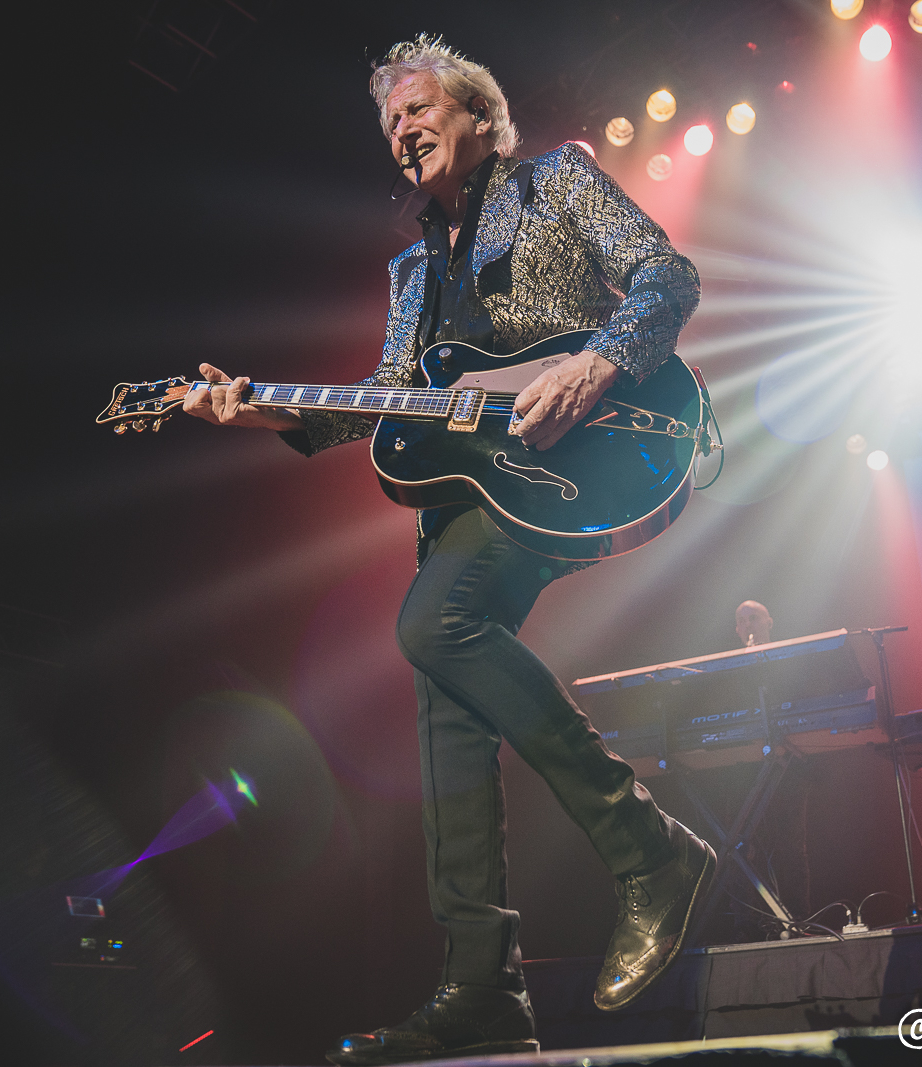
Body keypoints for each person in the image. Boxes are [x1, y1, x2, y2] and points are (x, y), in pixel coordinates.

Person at [179, 35, 716, 1066]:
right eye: (388, 123)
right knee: (444, 695)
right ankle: (480, 989)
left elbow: (666, 275)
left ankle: (649, 848)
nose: (401, 129)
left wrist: (601, 361)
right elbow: (381, 395)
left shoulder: (555, 181)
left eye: (417, 107)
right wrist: (254, 410)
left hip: (591, 447)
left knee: (436, 621)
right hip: (479, 492)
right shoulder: (412, 267)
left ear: (479, 114)